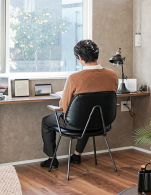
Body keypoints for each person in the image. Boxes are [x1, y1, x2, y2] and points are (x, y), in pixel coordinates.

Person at [40, 39, 118, 168]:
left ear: (80, 57)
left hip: (77, 124)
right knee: (88, 116)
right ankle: (77, 155)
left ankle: (52, 159)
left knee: (46, 121)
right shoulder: (113, 75)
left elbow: (64, 107)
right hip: (102, 123)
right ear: (96, 55)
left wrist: (64, 97)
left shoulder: (74, 78)